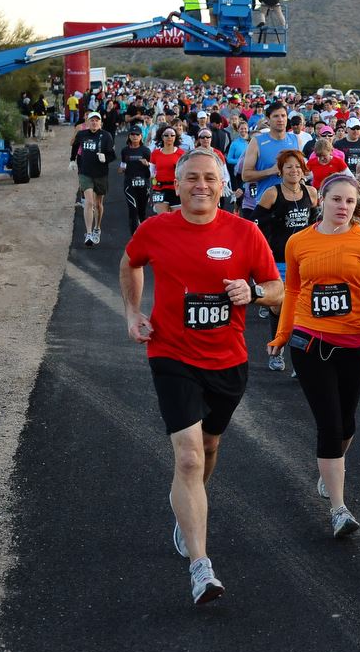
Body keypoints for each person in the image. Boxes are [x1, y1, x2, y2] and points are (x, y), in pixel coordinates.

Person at [120, 147, 284, 605]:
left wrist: (251, 291)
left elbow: (277, 289)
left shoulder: (245, 233)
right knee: (189, 458)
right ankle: (200, 566)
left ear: (222, 184)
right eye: (192, 177)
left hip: (228, 360)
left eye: (210, 178)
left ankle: (187, 505)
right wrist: (133, 313)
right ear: (177, 182)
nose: (201, 186)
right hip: (171, 354)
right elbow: (130, 262)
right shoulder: (156, 229)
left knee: (209, 448)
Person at [267, 172, 360, 538]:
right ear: (321, 200)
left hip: (356, 344)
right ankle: (339, 508)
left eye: (350, 201)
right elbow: (291, 292)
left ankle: (331, 468)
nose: (343, 207)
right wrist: (281, 335)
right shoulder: (298, 242)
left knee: (347, 423)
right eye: (337, 199)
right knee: (330, 424)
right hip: (310, 343)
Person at [254, 149, 318, 372]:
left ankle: (299, 359)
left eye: (298, 166)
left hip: (304, 260)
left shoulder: (311, 193)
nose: (294, 170)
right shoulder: (272, 193)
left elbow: (314, 226)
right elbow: (255, 224)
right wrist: (274, 219)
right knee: (279, 307)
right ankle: (276, 349)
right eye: (289, 166)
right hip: (278, 258)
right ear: (281, 171)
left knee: (303, 310)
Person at [70, 112, 116, 247]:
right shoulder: (82, 134)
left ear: (100, 123)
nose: (94, 123)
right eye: (92, 120)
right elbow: (75, 146)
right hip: (85, 172)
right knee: (89, 202)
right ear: (88, 122)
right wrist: (72, 160)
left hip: (101, 174)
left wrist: (105, 158)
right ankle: (88, 233)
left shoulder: (106, 136)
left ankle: (97, 227)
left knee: (98, 204)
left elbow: (112, 155)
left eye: (97, 120)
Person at [241, 103, 301, 205]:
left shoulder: (295, 140)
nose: (280, 119)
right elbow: (245, 176)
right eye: (276, 116)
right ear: (268, 119)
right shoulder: (256, 142)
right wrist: (271, 171)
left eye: (283, 115)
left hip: (293, 202)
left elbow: (301, 171)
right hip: (266, 203)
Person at [118, 125, 152, 235]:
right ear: (129, 136)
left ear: (141, 136)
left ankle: (143, 233)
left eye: (137, 134)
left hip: (143, 185)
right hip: (130, 185)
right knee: (133, 210)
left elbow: (151, 171)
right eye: (132, 134)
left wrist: (147, 164)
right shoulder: (125, 151)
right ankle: (134, 236)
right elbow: (122, 166)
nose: (135, 136)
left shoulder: (146, 151)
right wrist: (121, 169)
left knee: (142, 212)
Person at [149, 126, 183, 215]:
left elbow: (185, 172)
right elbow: (151, 171)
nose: (169, 137)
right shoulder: (155, 153)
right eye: (166, 135)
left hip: (176, 189)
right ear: (162, 137)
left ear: (175, 137)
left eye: (172, 135)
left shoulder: (181, 153)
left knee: (176, 219)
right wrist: (153, 177)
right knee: (162, 218)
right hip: (159, 189)